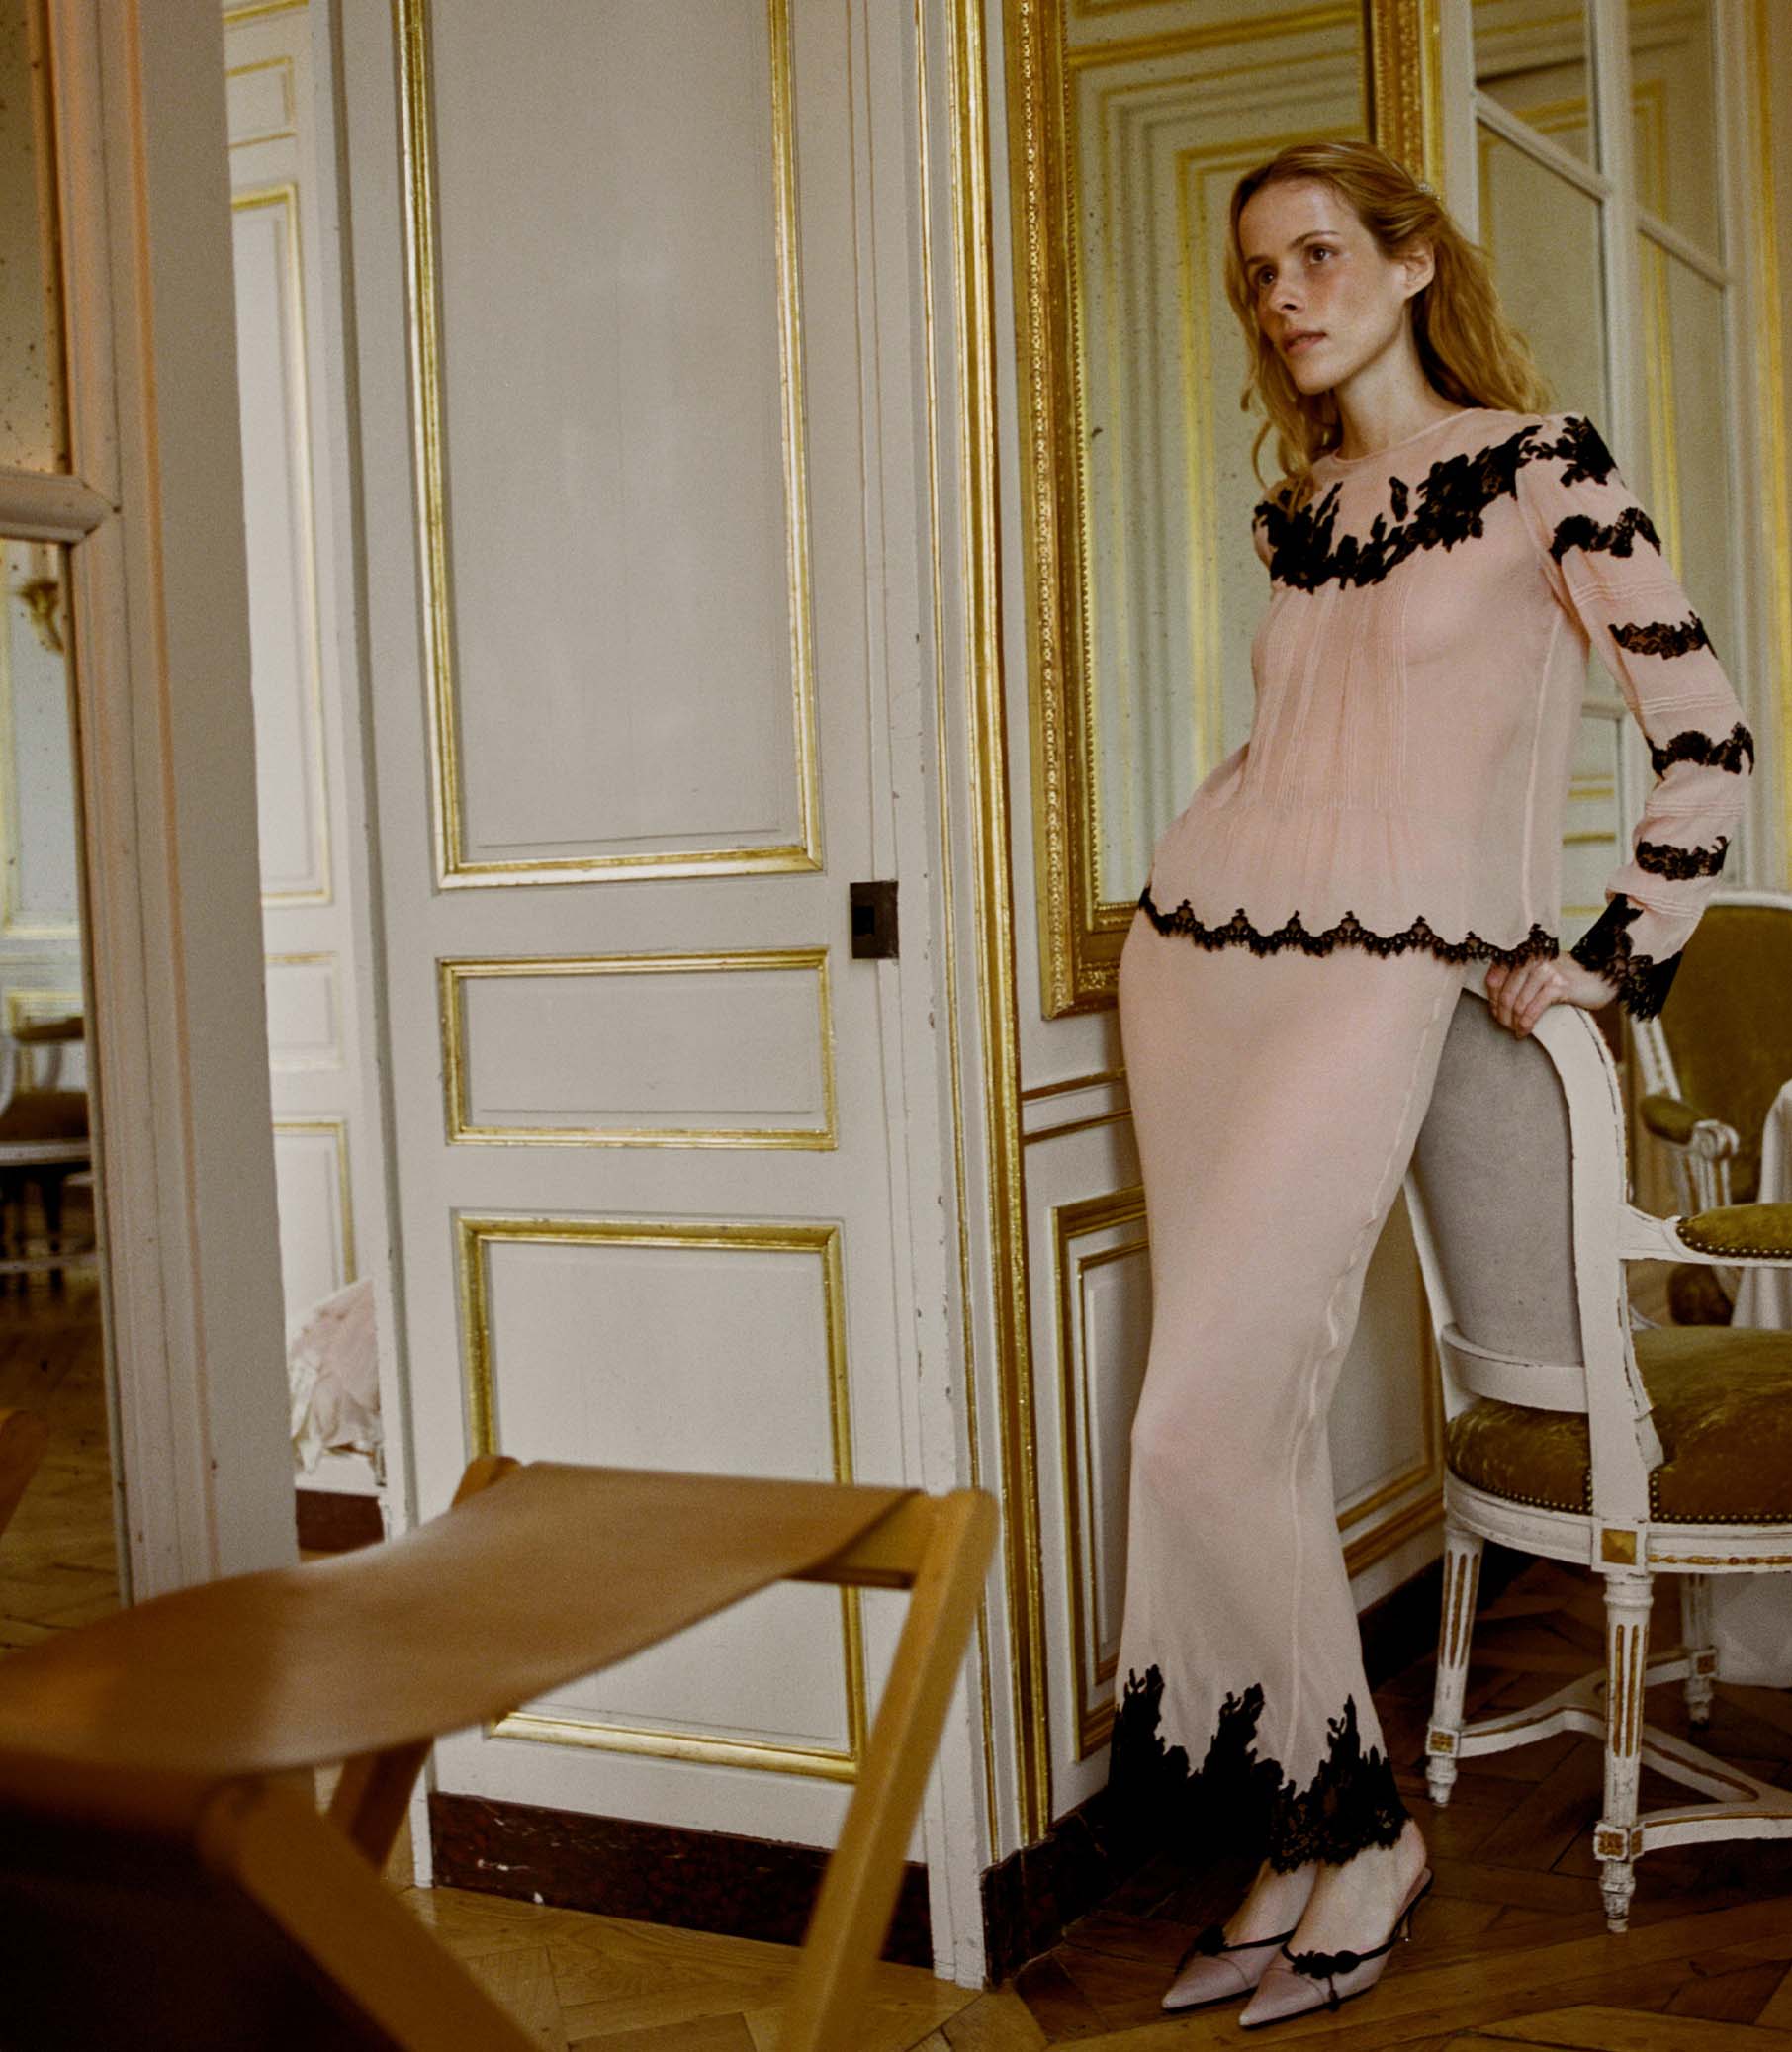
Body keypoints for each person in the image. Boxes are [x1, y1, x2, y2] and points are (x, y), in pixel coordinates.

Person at [1110, 138, 1751, 2029]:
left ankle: (1365, 1839)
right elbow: (1293, 756)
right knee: (1226, 1430)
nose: (1285, 297)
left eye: (1318, 255)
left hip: (1377, 981)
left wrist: (1614, 946)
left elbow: (1707, 731)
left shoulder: (1546, 464)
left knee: (1198, 1428)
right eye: (1260, 274)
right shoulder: (1299, 510)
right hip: (1198, 973)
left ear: (1409, 265)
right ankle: (1306, 1824)